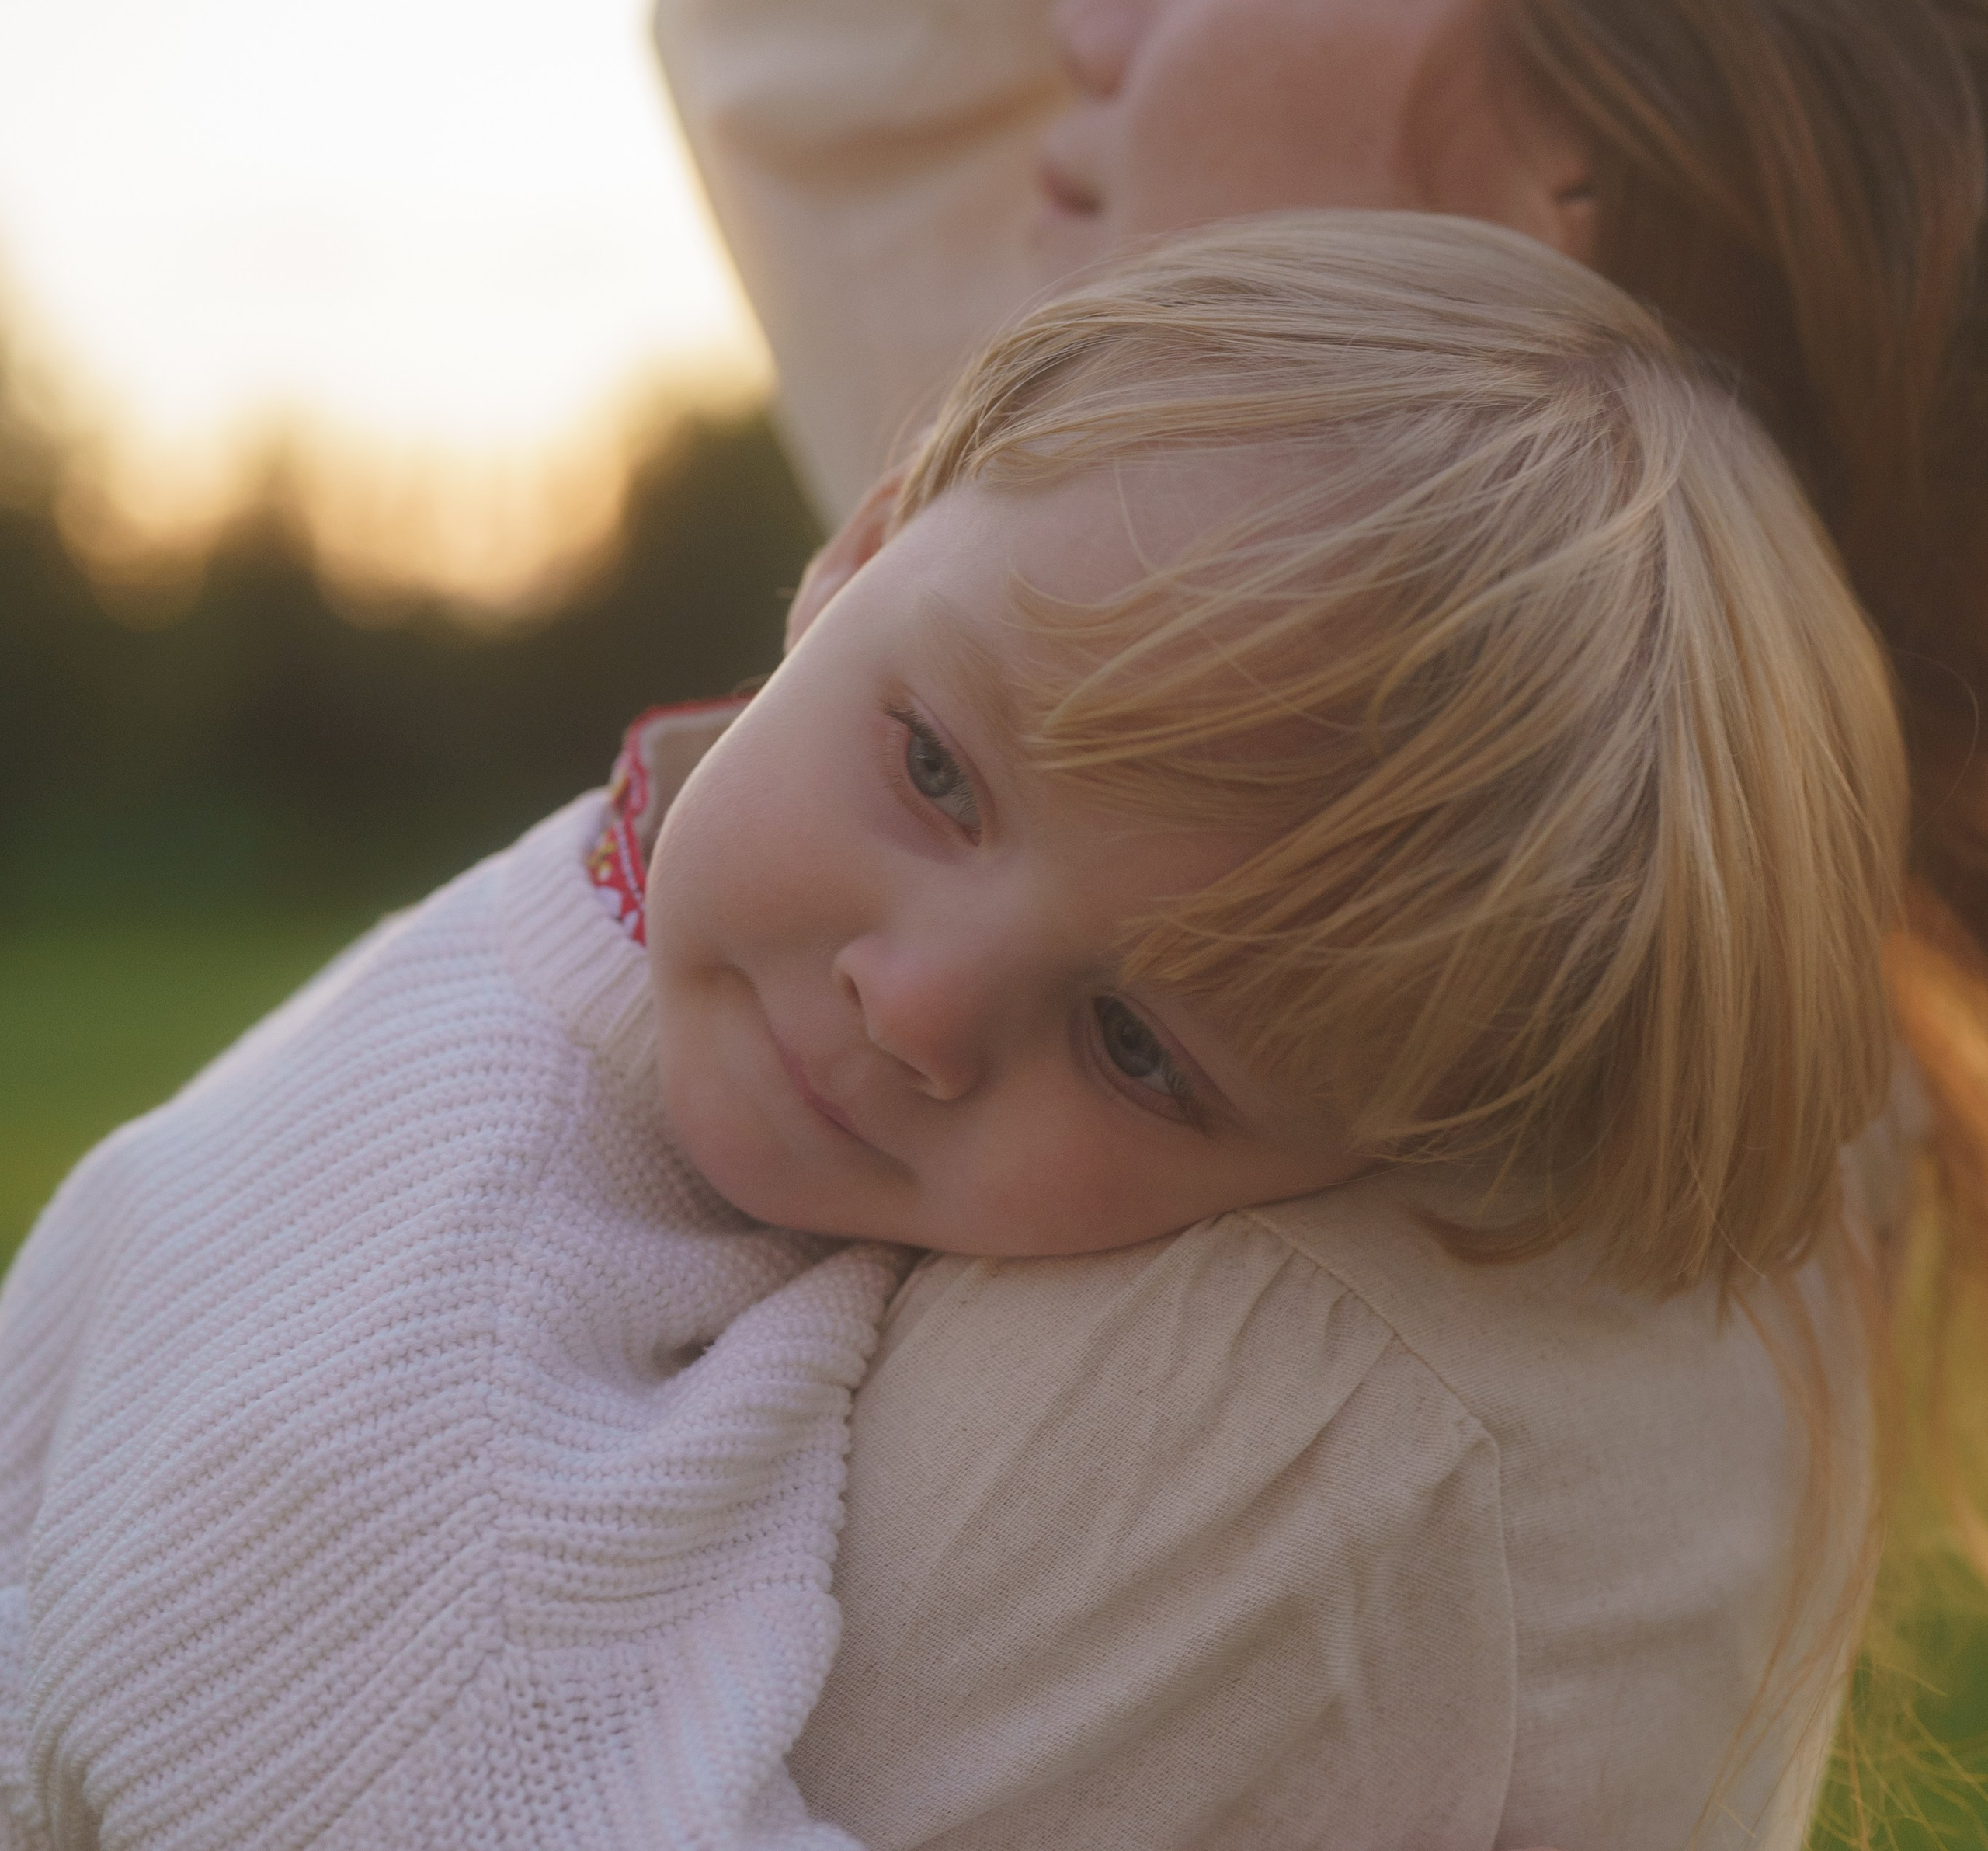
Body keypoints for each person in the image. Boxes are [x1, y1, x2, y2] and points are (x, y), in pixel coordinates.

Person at [0, 214, 1901, 1846]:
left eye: (1139, 1046)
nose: (912, 1007)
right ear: (862, 541)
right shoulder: (469, 1349)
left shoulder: (587, 921)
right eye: (934, 772)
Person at [655, 0, 1988, 1836]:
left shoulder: (1346, 1364)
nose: (1088, 24)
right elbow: (802, 6)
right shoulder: (1307, 732)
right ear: (868, 546)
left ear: (1573, 177)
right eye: (937, 767)